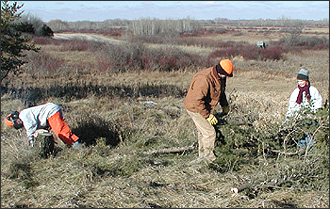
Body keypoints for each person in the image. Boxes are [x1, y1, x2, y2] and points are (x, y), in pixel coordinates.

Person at [184, 59, 233, 163]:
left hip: (203, 106)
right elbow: (197, 100)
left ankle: (202, 157)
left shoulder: (220, 77)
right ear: (221, 71)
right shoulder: (204, 79)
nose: (226, 78)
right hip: (195, 107)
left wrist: (225, 105)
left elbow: (221, 92)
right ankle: (209, 160)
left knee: (203, 132)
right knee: (209, 133)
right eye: (226, 76)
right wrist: (207, 116)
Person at [5, 102, 81, 149]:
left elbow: (31, 128)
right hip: (49, 113)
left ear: (15, 117)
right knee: (56, 133)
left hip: (51, 112)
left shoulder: (23, 115)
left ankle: (77, 146)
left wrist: (31, 142)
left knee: (60, 132)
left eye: (16, 122)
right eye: (17, 125)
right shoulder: (24, 115)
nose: (18, 123)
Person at [285, 68, 323, 149]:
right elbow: (291, 106)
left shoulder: (313, 91)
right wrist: (288, 118)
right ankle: (301, 155)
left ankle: (310, 156)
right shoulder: (296, 92)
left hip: (311, 119)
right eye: (298, 81)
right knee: (300, 139)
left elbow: (318, 103)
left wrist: (315, 113)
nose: (300, 83)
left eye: (302, 81)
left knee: (310, 138)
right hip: (299, 120)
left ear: (306, 81)